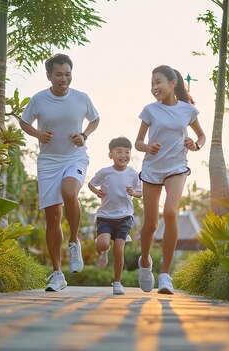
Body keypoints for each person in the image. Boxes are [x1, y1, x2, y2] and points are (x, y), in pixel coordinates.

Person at [19, 53, 100, 292]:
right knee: (52, 218)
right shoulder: (39, 99)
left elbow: (95, 120)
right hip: (48, 161)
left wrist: (84, 135)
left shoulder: (82, 98)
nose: (64, 79)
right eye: (59, 74)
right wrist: (37, 134)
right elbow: (24, 122)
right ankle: (57, 274)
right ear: (49, 76)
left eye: (67, 74)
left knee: (69, 191)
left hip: (74, 156)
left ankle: (73, 241)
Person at [134, 65, 206, 294]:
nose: (154, 87)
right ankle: (145, 262)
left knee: (171, 212)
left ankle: (165, 275)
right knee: (151, 223)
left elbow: (201, 136)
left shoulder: (188, 110)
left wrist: (195, 145)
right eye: (152, 83)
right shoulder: (149, 110)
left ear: (172, 83)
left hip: (176, 167)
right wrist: (148, 147)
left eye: (158, 82)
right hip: (152, 169)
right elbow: (138, 143)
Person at [88, 137, 143, 295]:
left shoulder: (133, 173)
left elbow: (140, 192)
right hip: (105, 217)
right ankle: (104, 251)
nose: (123, 155)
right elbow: (91, 183)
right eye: (118, 151)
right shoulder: (105, 172)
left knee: (119, 250)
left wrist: (134, 193)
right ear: (110, 154)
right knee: (102, 245)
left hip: (125, 217)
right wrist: (96, 191)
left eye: (127, 152)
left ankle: (117, 282)